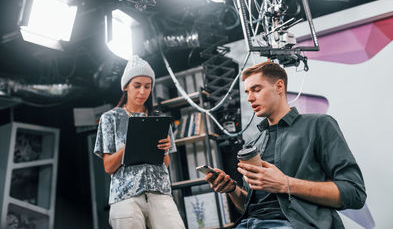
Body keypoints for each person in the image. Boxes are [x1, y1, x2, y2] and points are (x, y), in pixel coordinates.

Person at [204, 62, 366, 229]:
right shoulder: (254, 144)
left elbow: (355, 193)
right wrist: (232, 190)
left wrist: (285, 183)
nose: (250, 98)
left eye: (256, 89)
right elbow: (253, 206)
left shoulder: (319, 125)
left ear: (279, 86)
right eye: (247, 92)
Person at [94, 55, 185, 229]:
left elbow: (165, 163)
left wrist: (164, 150)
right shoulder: (110, 118)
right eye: (137, 86)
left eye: (147, 86)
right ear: (126, 86)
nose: (142, 92)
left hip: (160, 193)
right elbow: (108, 167)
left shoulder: (158, 118)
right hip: (124, 197)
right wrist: (129, 146)